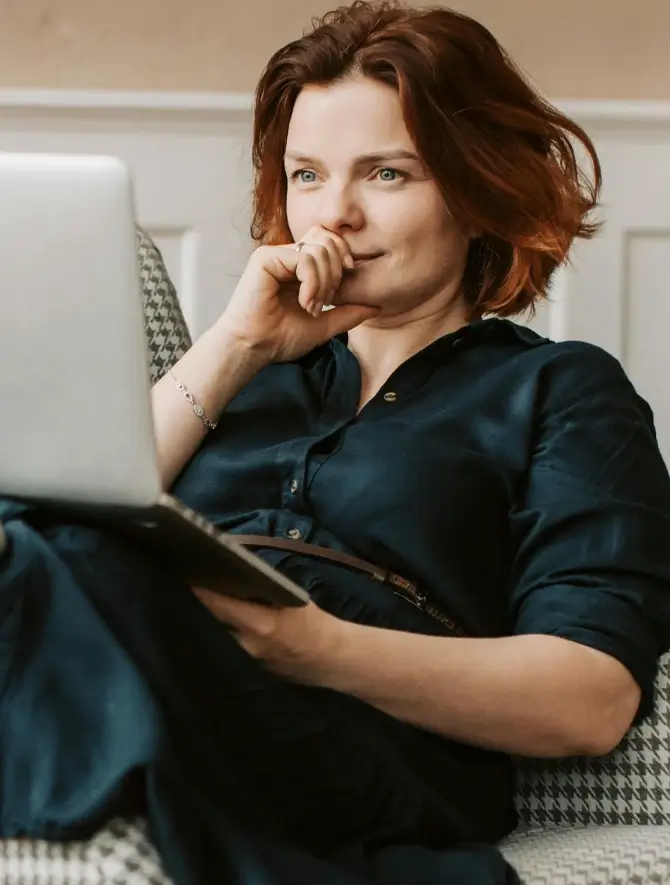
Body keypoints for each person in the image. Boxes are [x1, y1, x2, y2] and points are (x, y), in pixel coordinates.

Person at [2, 2, 670, 884]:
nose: (335, 214)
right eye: (306, 175)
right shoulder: (240, 372)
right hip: (157, 673)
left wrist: (315, 647)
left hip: (375, 741)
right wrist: (237, 347)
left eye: (387, 174)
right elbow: (73, 500)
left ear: (477, 192)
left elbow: (590, 698)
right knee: (35, 540)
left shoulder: (563, 391)